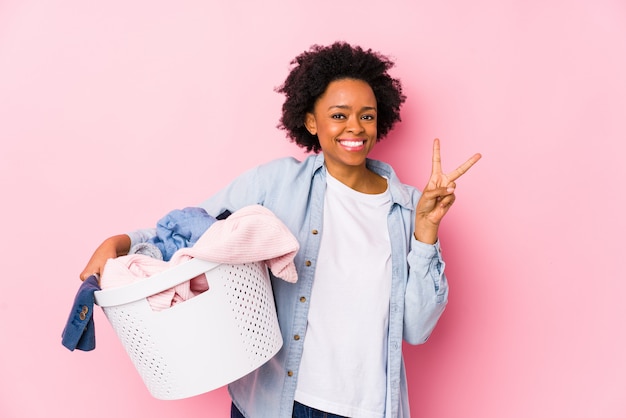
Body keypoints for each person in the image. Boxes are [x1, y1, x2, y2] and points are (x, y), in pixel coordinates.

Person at [80, 41, 481, 418]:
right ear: (311, 121)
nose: (354, 127)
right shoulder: (275, 184)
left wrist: (427, 230)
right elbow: (189, 226)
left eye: (367, 115)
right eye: (338, 115)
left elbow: (417, 327)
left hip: (371, 407)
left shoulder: (410, 207)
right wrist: (123, 242)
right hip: (279, 403)